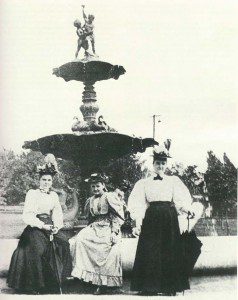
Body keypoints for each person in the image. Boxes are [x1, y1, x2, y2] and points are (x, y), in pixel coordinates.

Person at [127, 143, 200, 296]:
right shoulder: (144, 183)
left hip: (168, 217)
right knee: (150, 251)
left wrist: (188, 209)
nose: (160, 166)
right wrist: (137, 222)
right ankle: (149, 287)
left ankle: (169, 287)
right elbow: (139, 204)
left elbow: (181, 201)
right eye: (157, 163)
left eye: (163, 163)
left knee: (169, 251)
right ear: (153, 164)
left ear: (166, 165)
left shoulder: (173, 181)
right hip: (152, 217)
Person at [7, 154, 72, 294]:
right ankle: (35, 285)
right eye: (44, 180)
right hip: (35, 225)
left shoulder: (54, 195)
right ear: (39, 180)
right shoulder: (32, 193)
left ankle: (60, 280)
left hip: (50, 225)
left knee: (64, 243)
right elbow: (28, 215)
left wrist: (56, 226)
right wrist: (42, 225)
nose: (46, 182)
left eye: (49, 180)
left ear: (52, 181)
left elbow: (57, 214)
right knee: (37, 248)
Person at [69, 173, 124, 295]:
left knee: (106, 247)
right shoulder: (90, 200)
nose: (95, 189)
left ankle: (103, 283)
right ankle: (86, 278)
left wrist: (114, 232)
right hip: (95, 226)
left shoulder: (109, 197)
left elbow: (116, 216)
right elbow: (90, 219)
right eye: (93, 186)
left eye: (98, 186)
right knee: (78, 241)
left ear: (103, 185)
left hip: (109, 226)